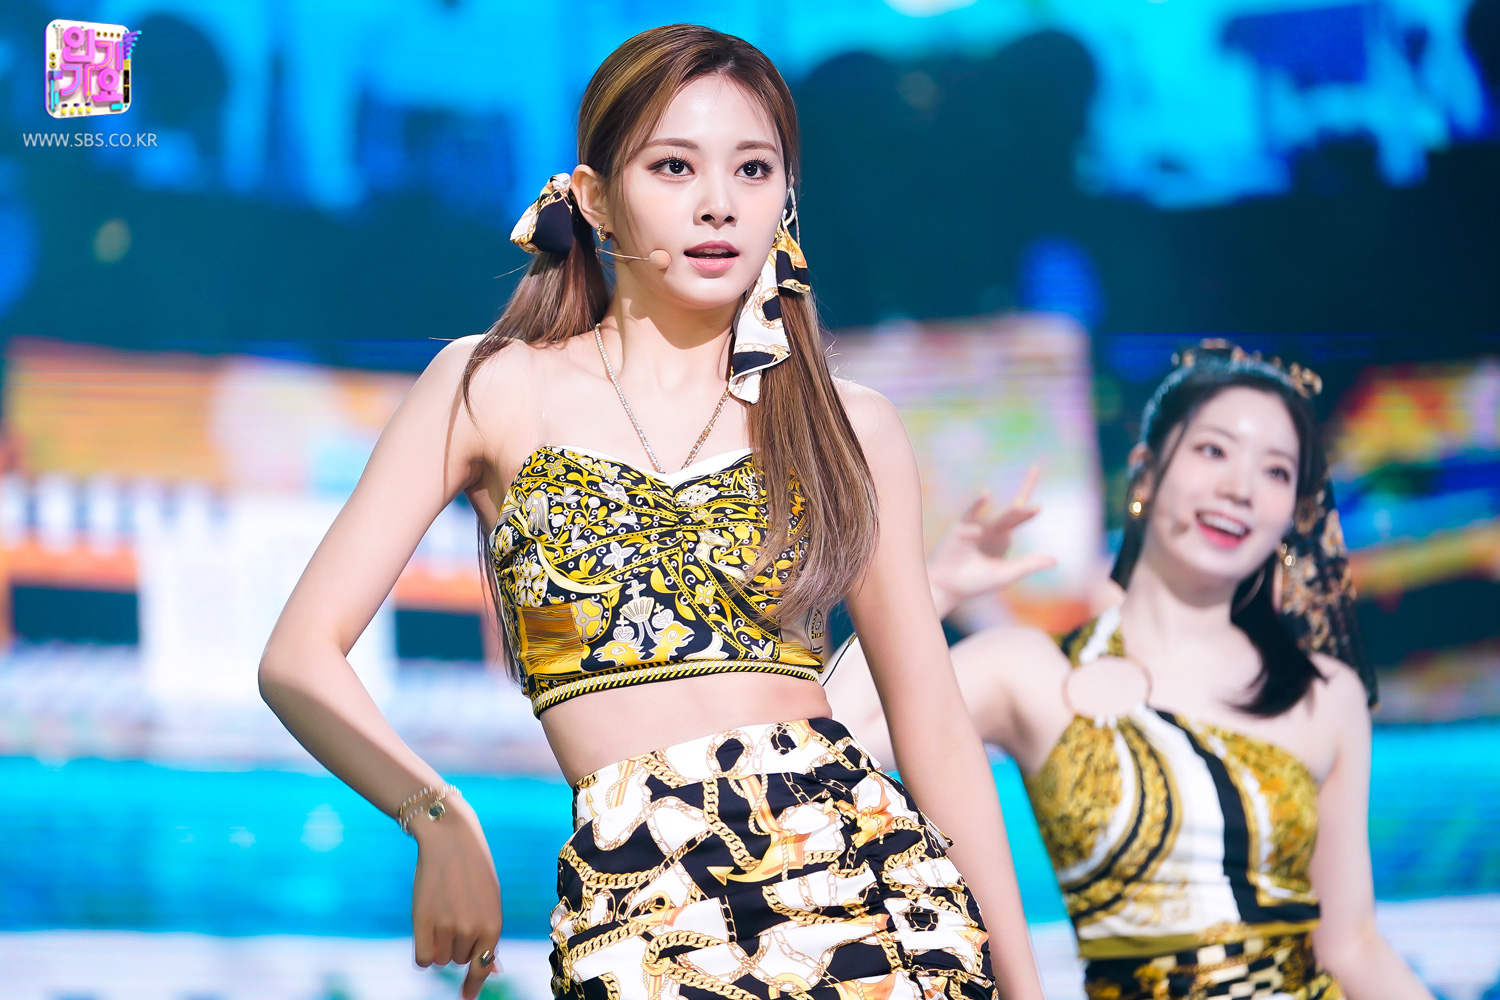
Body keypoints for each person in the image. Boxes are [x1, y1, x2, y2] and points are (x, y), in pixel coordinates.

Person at [258, 24, 1045, 1000]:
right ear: (593, 197)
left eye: (753, 169)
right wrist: (434, 813)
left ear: (785, 199)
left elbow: (935, 731)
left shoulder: (848, 422)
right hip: (642, 921)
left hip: (873, 911)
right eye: (675, 166)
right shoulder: (489, 387)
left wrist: (1026, 990)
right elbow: (298, 658)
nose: (719, 202)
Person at [826, 342, 1434, 999]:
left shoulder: (1322, 694)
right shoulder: (1034, 672)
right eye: (1214, 451)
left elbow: (1352, 945)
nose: (1240, 488)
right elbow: (825, 737)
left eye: (1276, 471)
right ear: (1144, 473)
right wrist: (934, 588)